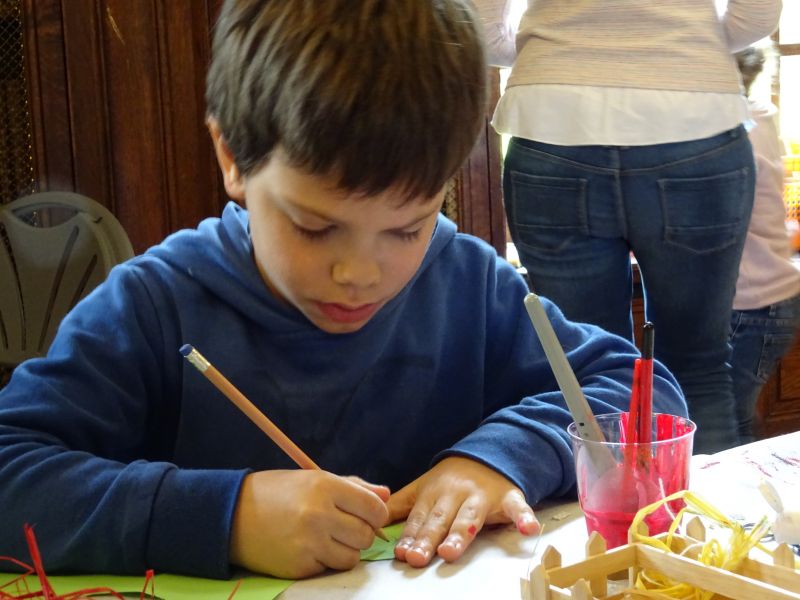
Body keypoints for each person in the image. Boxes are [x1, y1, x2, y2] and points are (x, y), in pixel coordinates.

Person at [0, 0, 686, 581]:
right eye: (315, 226)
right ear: (233, 160)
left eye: (407, 227)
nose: (360, 272)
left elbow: (637, 391)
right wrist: (227, 516)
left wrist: (497, 459)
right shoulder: (155, 303)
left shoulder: (467, 281)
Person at [476, 0, 782, 454]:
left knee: (585, 370)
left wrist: (557, 58)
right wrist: (688, 47)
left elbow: (481, 29)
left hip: (553, 119)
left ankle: (602, 522)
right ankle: (700, 525)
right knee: (697, 365)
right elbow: (757, 15)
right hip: (693, 115)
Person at [729, 46, 800, 444]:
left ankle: (740, 502)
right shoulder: (758, 115)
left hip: (754, 304)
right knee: (733, 412)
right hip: (768, 299)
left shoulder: (739, 126)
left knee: (729, 417)